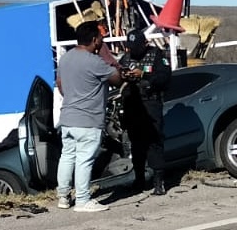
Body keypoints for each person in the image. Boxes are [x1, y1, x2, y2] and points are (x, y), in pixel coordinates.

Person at [55, 20, 122, 212]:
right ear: (94, 40)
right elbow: (116, 79)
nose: (102, 41)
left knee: (67, 157)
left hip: (67, 117)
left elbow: (60, 84)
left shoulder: (65, 58)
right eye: (101, 38)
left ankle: (63, 196)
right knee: (84, 159)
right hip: (88, 120)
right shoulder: (94, 61)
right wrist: (113, 64)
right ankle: (82, 200)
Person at [118, 29, 172, 195]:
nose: (133, 50)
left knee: (154, 142)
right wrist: (123, 75)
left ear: (145, 44)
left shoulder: (156, 56)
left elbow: (164, 77)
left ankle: (159, 181)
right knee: (136, 143)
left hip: (150, 103)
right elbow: (116, 76)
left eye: (136, 46)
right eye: (130, 46)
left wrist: (144, 75)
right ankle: (139, 179)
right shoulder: (125, 58)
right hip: (132, 105)